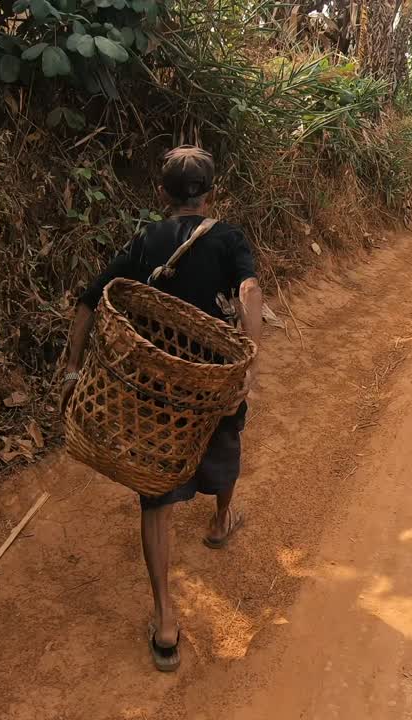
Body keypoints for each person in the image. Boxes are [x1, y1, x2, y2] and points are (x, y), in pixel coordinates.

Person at [60, 146, 263, 672]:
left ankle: (166, 619)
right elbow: (249, 292)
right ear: (212, 191)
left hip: (154, 392)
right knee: (224, 450)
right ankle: (220, 522)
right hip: (210, 382)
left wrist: (73, 370)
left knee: (155, 496)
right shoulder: (229, 237)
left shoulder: (145, 241)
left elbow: (89, 298)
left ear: (162, 194)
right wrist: (247, 368)